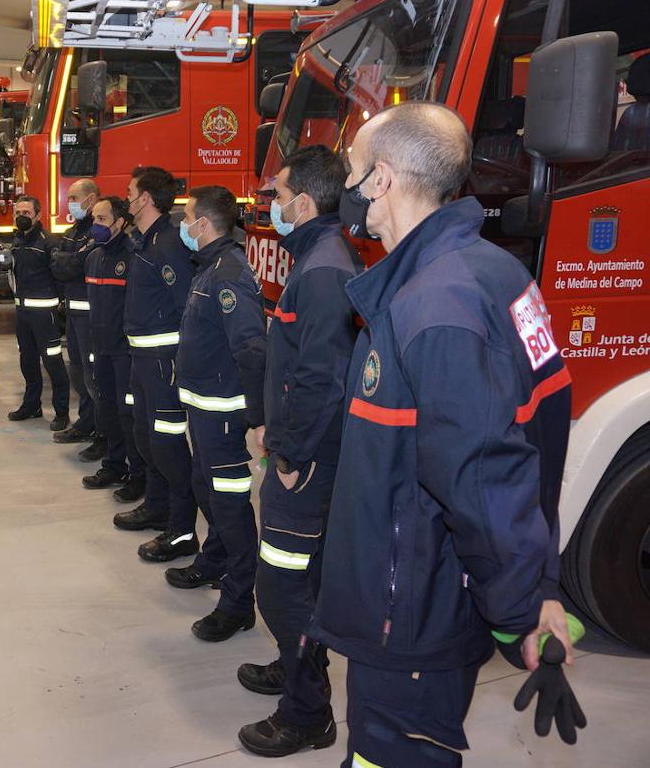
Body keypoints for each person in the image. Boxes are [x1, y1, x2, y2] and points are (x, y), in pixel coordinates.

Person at [313, 102, 575, 768]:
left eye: (353, 169)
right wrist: (537, 583)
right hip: (432, 592)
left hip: (412, 616)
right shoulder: (497, 272)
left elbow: (483, 475)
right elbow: (537, 441)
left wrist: (522, 611)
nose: (346, 187)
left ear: (384, 179)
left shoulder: (434, 307)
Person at [236, 146, 361, 757]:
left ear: (305, 203)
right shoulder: (316, 257)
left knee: (282, 589)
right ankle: (295, 666)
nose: (273, 207)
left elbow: (321, 379)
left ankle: (308, 713)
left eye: (279, 196)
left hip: (305, 465)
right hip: (302, 456)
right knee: (299, 582)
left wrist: (287, 455)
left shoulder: (321, 270)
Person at [162, 186, 266, 646]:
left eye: (186, 218)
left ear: (203, 225)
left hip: (223, 413)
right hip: (203, 408)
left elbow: (250, 347)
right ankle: (214, 560)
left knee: (228, 504)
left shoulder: (227, 275)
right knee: (206, 488)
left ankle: (239, 602)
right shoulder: (209, 268)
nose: (183, 226)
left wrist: (259, 416)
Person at [113, 166, 199, 564]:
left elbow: (187, 307)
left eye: (131, 192)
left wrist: (180, 363)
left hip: (164, 363)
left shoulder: (167, 244)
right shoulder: (144, 242)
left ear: (145, 198)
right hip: (142, 359)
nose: (127, 199)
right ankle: (158, 506)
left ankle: (182, 533)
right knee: (146, 438)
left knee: (167, 446)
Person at [80, 197, 148, 504]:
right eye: (94, 218)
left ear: (120, 222)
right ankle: (114, 464)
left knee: (128, 413)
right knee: (106, 408)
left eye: (102, 219)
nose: (96, 225)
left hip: (125, 352)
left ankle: (138, 475)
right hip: (102, 348)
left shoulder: (134, 257)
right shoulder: (94, 257)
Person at [6, 195, 69, 429]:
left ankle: (61, 412)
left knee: (53, 362)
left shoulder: (49, 242)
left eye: (26, 213)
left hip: (45, 316)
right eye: (18, 213)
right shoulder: (17, 241)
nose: (22, 216)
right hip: (23, 314)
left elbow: (60, 277)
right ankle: (32, 405)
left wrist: (62, 307)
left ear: (38, 215)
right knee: (27, 361)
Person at [51, 179, 101, 451]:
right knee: (79, 372)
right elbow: (58, 265)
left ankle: (98, 429)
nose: (69, 201)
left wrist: (67, 261)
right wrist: (67, 261)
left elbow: (78, 264)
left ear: (90, 199)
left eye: (73, 197)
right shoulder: (73, 232)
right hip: (72, 312)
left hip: (90, 315)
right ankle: (85, 421)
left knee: (92, 375)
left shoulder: (97, 231)